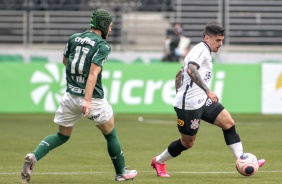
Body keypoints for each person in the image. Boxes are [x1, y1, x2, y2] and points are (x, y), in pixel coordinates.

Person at [21, 9, 138, 183]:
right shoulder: (102, 46)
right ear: (104, 25)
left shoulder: (74, 38)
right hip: (92, 99)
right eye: (110, 26)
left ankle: (34, 156)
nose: (111, 30)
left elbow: (65, 61)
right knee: (110, 133)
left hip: (70, 96)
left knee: (62, 135)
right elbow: (92, 74)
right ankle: (121, 172)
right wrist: (88, 101)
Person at [151, 22, 265, 177]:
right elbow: (191, 69)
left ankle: (242, 160)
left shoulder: (204, 51)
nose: (220, 43)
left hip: (202, 101)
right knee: (187, 143)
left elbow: (180, 73)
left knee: (228, 123)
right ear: (207, 38)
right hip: (190, 106)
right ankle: (159, 160)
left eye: (222, 40)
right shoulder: (200, 49)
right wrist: (207, 91)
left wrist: (182, 88)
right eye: (218, 40)